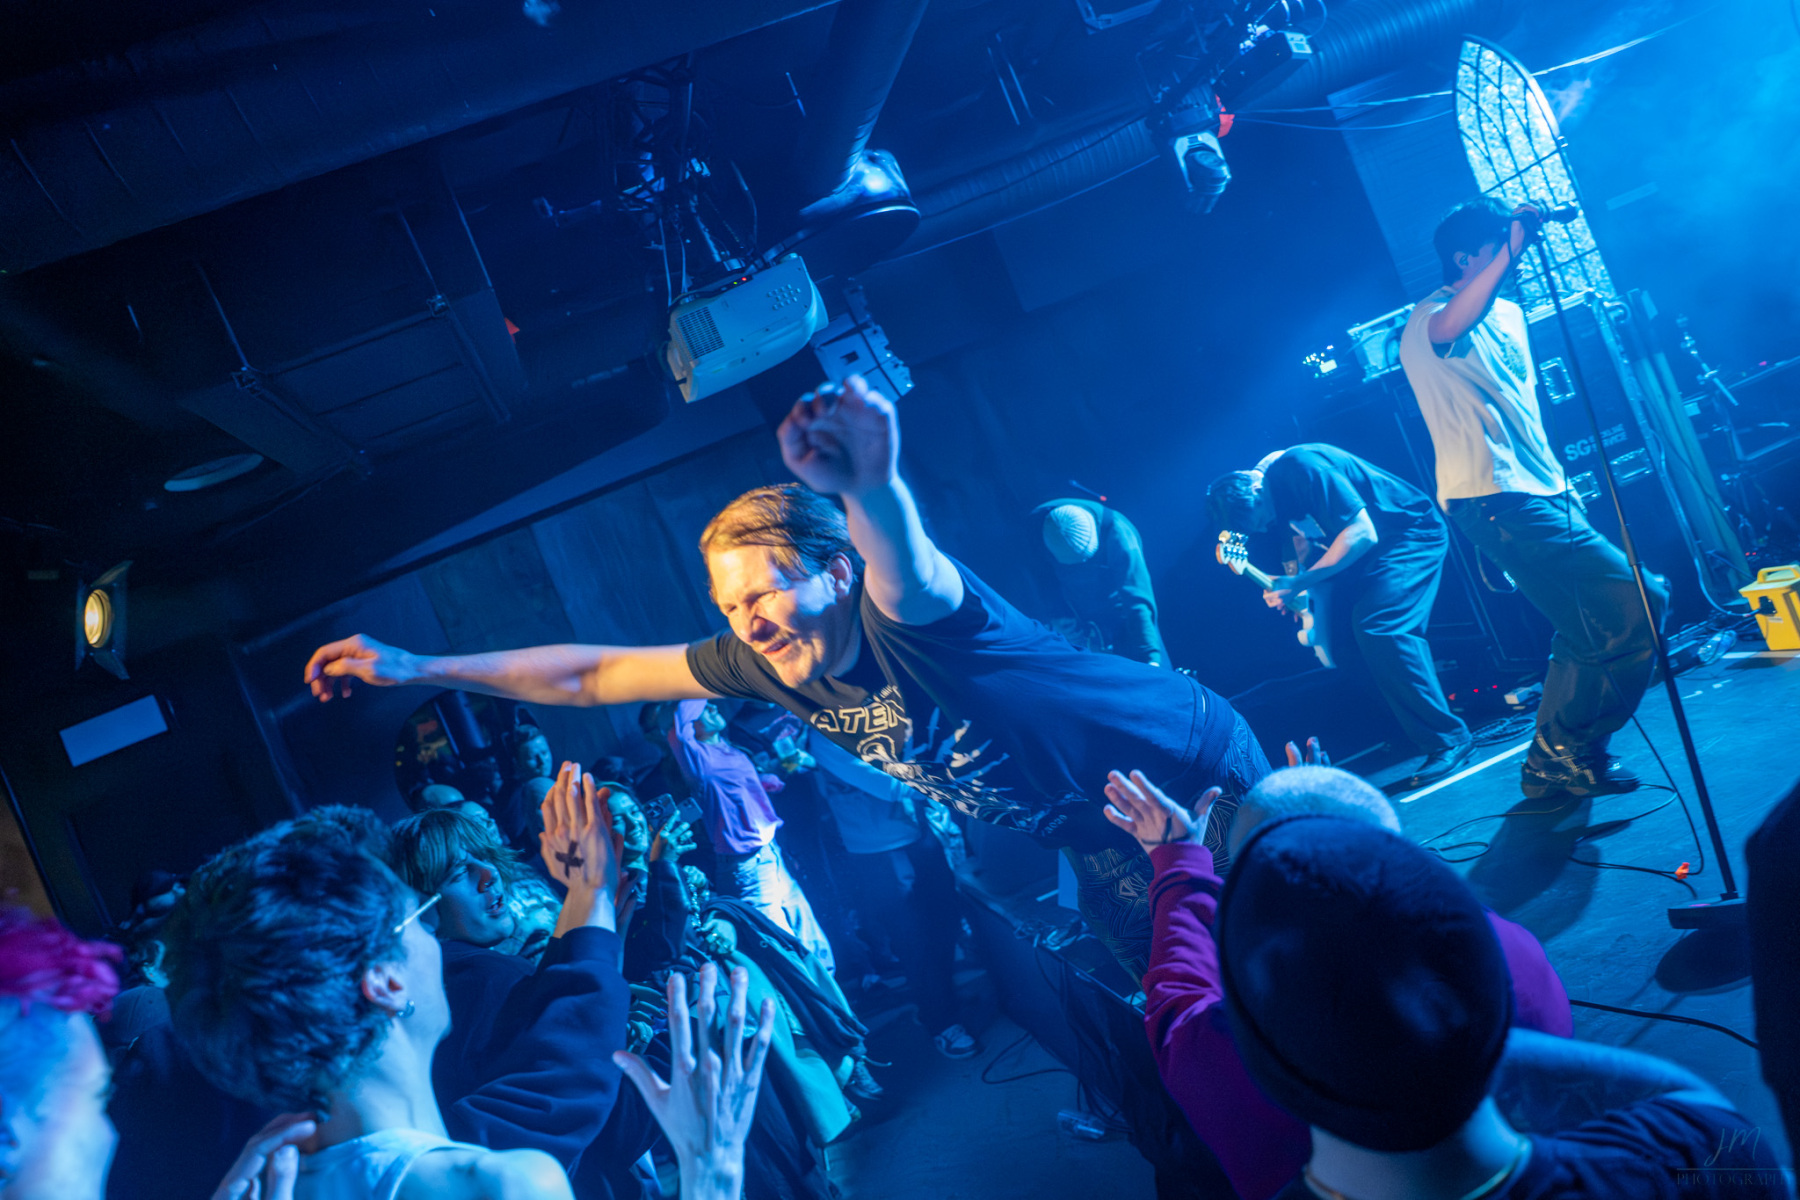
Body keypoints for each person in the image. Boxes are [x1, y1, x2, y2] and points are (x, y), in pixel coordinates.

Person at [303, 376, 1270, 978]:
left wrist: (867, 481)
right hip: (1101, 832)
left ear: (837, 574)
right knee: (1188, 1004)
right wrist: (418, 664)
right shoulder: (762, 666)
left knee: (1295, 958)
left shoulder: (915, 622)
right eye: (728, 606)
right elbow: (590, 675)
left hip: (1188, 769)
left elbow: (904, 556)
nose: (744, 621)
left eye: (761, 593)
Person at [1217, 811, 1780, 1199]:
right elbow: (1688, 1102)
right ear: (1488, 982)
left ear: (1257, 1049)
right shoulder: (1694, 1155)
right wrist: (1454, 1039)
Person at [1107, 763, 1572, 1200]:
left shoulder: (1232, 1045)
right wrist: (1335, 821)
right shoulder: (1509, 951)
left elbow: (1179, 1001)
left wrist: (1178, 862)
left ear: (1254, 897)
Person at [1399, 196, 1667, 801]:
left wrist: (1562, 486)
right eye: (1498, 246)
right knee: (1641, 604)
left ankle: (1552, 761)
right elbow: (1451, 326)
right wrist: (1513, 245)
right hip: (1496, 498)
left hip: (1545, 491)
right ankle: (1573, 745)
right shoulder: (1427, 320)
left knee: (1583, 630)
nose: (1513, 256)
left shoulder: (1510, 313)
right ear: (1465, 259)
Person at [1206, 445, 1474, 788]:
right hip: (1370, 556)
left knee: (1382, 627)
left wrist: (1300, 582)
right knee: (1344, 647)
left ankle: (1449, 739)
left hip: (1408, 535)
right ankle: (1413, 731)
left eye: (1259, 519)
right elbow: (1301, 544)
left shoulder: (1301, 467)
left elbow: (1362, 532)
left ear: (1257, 491)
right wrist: (1295, 589)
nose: (1261, 529)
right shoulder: (1274, 492)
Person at [808, 728, 978, 1059]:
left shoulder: (870, 717)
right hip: (878, 851)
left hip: (917, 834)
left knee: (945, 922)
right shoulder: (824, 737)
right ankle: (941, 1022)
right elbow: (888, 786)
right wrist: (953, 775)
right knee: (914, 940)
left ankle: (939, 1002)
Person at [669, 699, 837, 975]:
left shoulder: (727, 749)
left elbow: (743, 786)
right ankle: (806, 994)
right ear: (693, 724)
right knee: (778, 941)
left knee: (805, 924)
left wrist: (766, 782)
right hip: (745, 862)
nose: (713, 708)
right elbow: (679, 727)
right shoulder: (697, 758)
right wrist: (693, 686)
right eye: (705, 709)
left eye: (712, 705)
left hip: (770, 850)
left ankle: (829, 987)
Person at [1031, 498, 1167, 666]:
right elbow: (1039, 579)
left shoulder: (1120, 535)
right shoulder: (1036, 527)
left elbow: (1137, 599)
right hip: (1078, 619)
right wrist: (1054, 619)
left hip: (1125, 617)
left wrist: (1151, 658)